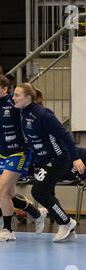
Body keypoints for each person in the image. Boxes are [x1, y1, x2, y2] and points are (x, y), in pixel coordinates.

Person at [13, 83, 85, 242]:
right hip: (43, 160)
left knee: (39, 192)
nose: (13, 98)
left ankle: (66, 222)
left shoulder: (43, 114)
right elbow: (33, 141)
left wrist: (76, 158)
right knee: (48, 193)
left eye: (17, 95)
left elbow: (65, 135)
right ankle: (66, 226)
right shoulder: (23, 113)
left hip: (58, 158)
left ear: (28, 97)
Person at [0, 75, 47, 241]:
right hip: (1, 153)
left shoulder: (16, 105)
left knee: (1, 191)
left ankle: (8, 230)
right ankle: (37, 213)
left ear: (5, 89)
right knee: (8, 193)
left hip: (19, 153)